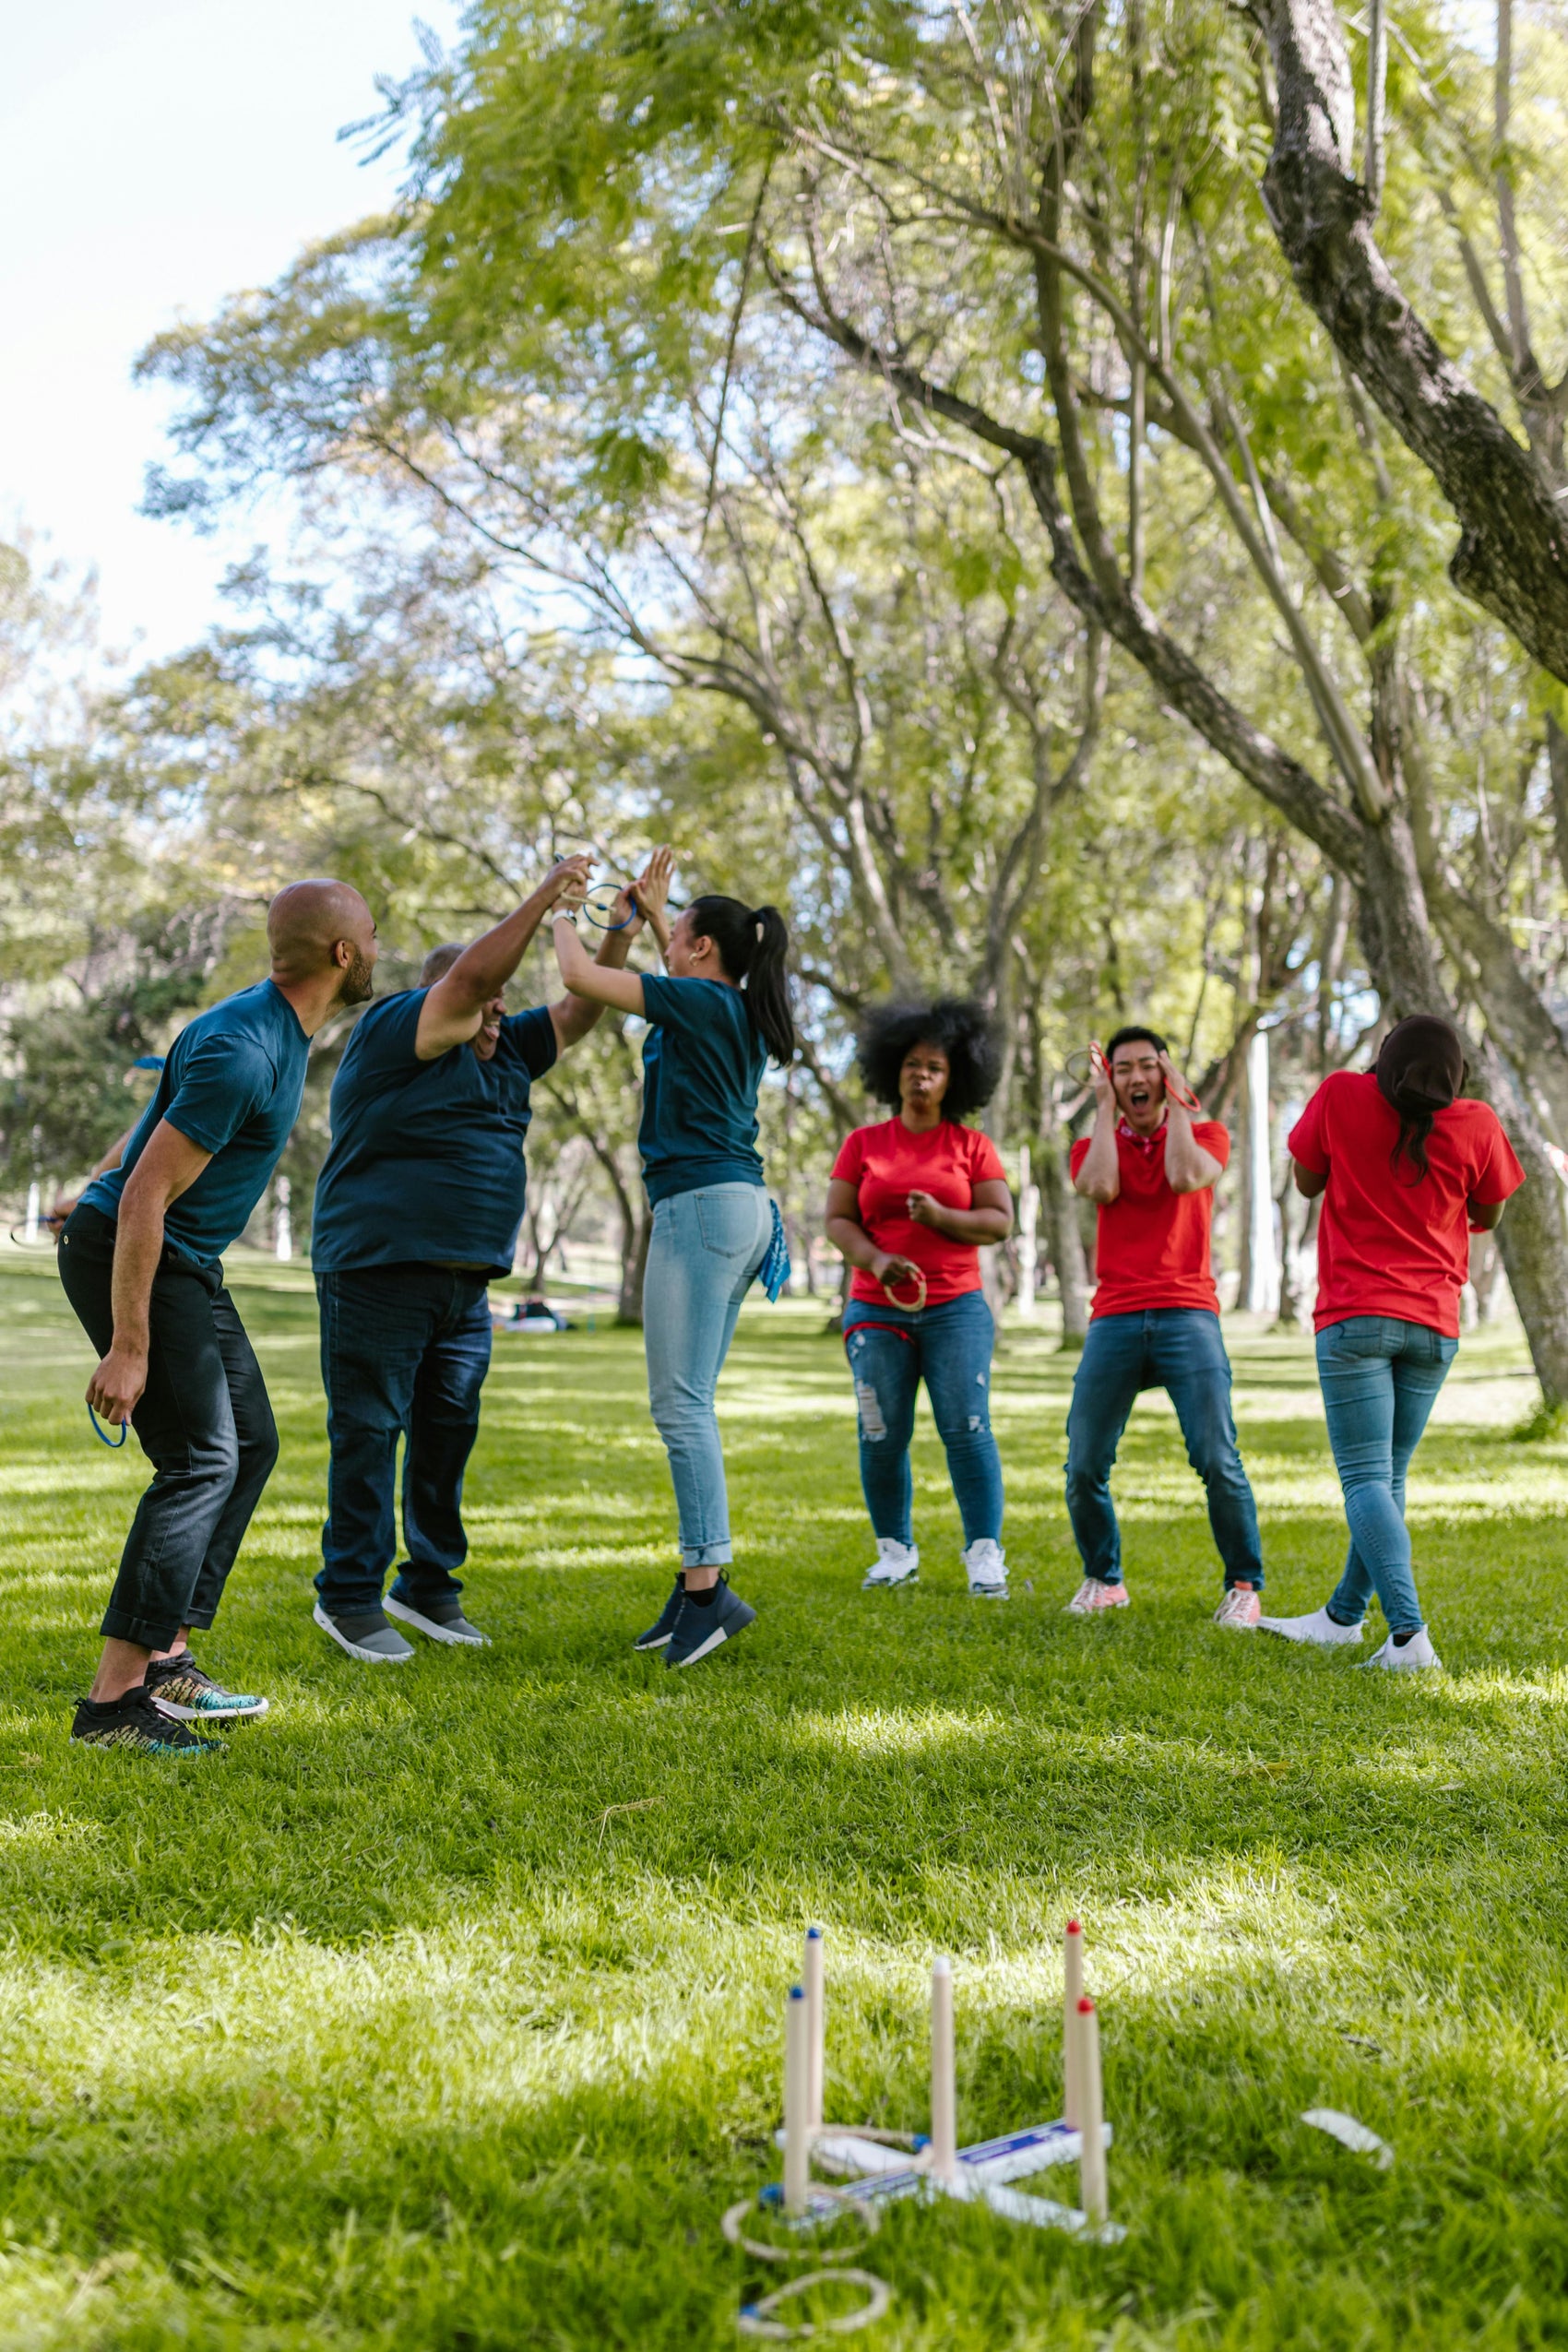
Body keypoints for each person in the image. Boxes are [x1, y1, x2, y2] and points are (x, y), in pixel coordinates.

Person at [56, 880, 378, 1754]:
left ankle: (166, 1657)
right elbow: (144, 1197)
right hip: (142, 1253)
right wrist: (130, 1346)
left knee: (252, 1442)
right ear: (343, 955)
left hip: (181, 1261)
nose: (377, 947)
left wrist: (95, 1173)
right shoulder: (247, 1047)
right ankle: (111, 1708)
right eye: (371, 936)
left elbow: (151, 1130)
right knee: (200, 1459)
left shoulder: (261, 1027)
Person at [307, 853, 642, 1663]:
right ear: (439, 998)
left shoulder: (509, 1047)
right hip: (378, 1269)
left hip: (465, 1286)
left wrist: (620, 935)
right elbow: (469, 982)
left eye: (499, 1002)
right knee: (369, 1431)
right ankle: (349, 1598)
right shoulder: (393, 1030)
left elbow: (579, 1011)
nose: (495, 1011)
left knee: (446, 1434)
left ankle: (427, 1589)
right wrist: (543, 899)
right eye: (481, 999)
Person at [552, 861, 794, 1669]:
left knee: (680, 1408)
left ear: (700, 949)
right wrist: (658, 920)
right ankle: (699, 1575)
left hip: (699, 1210)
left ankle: (707, 1592)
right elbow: (683, 974)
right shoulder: (733, 1006)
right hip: (739, 1210)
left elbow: (579, 974)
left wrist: (562, 909)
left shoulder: (697, 999)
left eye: (677, 932)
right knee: (693, 1404)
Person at [1261, 1015, 1524, 1670]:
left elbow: (1305, 1179)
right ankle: (1342, 1619)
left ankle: (1408, 1635)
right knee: (1388, 1477)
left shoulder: (1342, 1095)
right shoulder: (1479, 1122)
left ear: (1384, 1063)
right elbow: (1488, 1214)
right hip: (1434, 1324)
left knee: (1365, 1477)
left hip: (1355, 1319)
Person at [1063, 1025, 1265, 1624]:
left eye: (1147, 1066)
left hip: (1187, 1314)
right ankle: (1104, 1579)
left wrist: (1178, 1103)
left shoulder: (1207, 1135)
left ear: (1168, 1074)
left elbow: (1182, 1177)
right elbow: (1099, 1186)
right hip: (1116, 1317)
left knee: (1214, 1455)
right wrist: (1103, 1109)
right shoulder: (1092, 1143)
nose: (1135, 1078)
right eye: (1121, 1069)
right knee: (1083, 1463)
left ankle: (1243, 1585)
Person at [824, 1000, 1014, 1596]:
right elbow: (836, 1220)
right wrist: (878, 1261)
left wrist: (942, 1216)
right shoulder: (863, 1144)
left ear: (954, 1077)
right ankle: (895, 1551)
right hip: (877, 1310)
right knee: (881, 1431)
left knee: (967, 1426)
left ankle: (984, 1555)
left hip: (956, 1309)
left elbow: (999, 1222)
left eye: (934, 1066)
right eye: (911, 1064)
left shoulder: (972, 1146)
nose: (921, 1075)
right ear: (892, 1071)